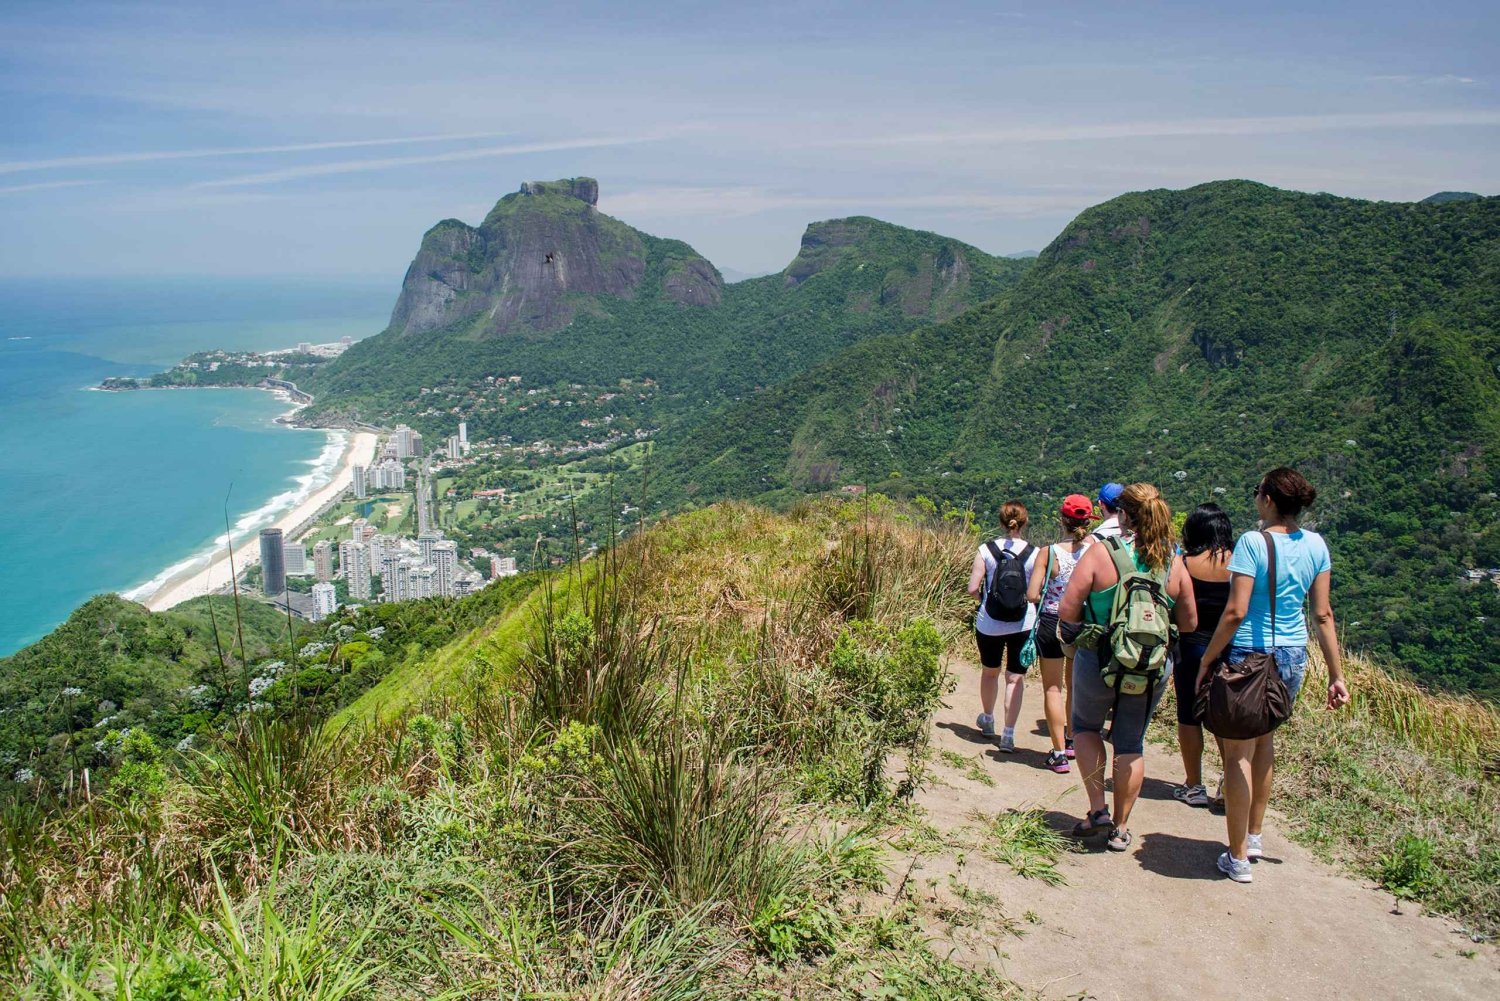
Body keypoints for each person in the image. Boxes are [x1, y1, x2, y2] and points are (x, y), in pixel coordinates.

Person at [1198, 468, 1349, 883]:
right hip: (1293, 656)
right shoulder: (1317, 545)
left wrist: (1209, 659)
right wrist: (1337, 675)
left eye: (1257, 491)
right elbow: (1322, 613)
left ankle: (1238, 856)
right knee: (1265, 743)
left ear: (1267, 499)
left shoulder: (1252, 542)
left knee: (1236, 755)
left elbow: (1235, 611)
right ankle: (1255, 835)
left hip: (1248, 653)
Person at [1057, 483, 1197, 852]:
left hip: (1099, 657)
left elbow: (1068, 610)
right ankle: (1121, 828)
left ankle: (1097, 811)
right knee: (1131, 742)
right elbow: (1190, 623)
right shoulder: (1173, 560)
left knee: (1086, 728)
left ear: (1122, 515)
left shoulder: (1102, 554)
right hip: (1150, 667)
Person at [1026, 493, 1094, 773]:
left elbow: (1032, 593)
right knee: (1074, 687)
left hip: (1052, 621)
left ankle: (1057, 753)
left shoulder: (1049, 553)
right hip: (1083, 622)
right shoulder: (1096, 551)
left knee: (1053, 688)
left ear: (1061, 519)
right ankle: (1071, 741)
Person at [1171, 503, 1233, 807]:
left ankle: (1194, 785)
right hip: (1230, 649)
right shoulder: (1240, 564)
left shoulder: (1184, 563)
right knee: (1223, 717)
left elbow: (1172, 601)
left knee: (1188, 714)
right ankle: (1228, 784)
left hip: (1190, 645)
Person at [967, 501, 1039, 752]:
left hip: (990, 622)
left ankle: (987, 719)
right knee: (1015, 678)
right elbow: (1035, 593)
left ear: (1001, 521)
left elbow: (973, 589)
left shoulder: (985, 550)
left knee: (990, 672)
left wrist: (986, 601)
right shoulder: (1035, 552)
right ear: (1024, 522)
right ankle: (1008, 735)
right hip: (1023, 622)